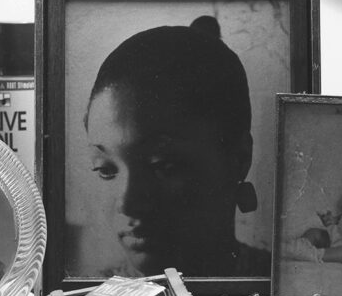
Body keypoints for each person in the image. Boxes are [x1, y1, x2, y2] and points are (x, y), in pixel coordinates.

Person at [83, 16, 270, 278]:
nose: (128, 203)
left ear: (239, 159)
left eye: (164, 166)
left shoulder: (293, 290)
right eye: (105, 170)